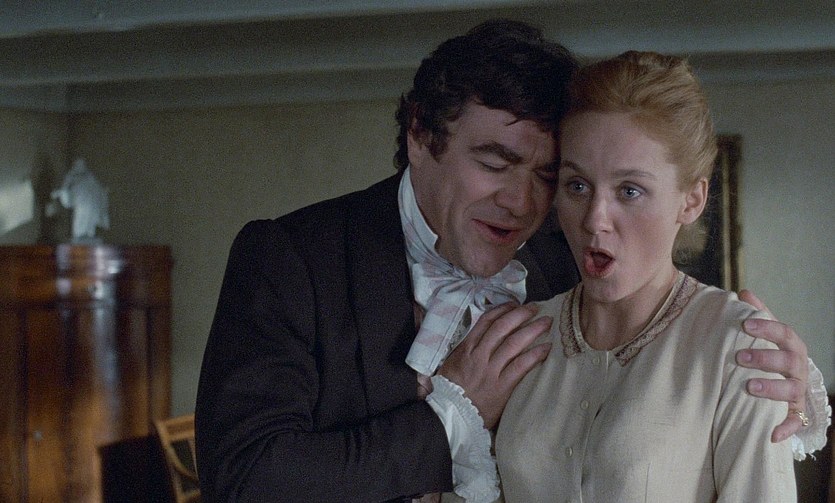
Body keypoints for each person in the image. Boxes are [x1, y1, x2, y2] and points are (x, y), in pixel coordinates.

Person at [195, 20, 824, 502]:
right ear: (421, 135)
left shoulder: (569, 255)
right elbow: (246, 479)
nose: (524, 204)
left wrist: (794, 392)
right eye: (495, 163)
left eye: (549, 176)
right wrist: (449, 416)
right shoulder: (290, 259)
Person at [495, 51, 814, 501]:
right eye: (577, 186)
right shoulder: (521, 337)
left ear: (692, 200)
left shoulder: (737, 347)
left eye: (630, 190)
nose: (594, 219)